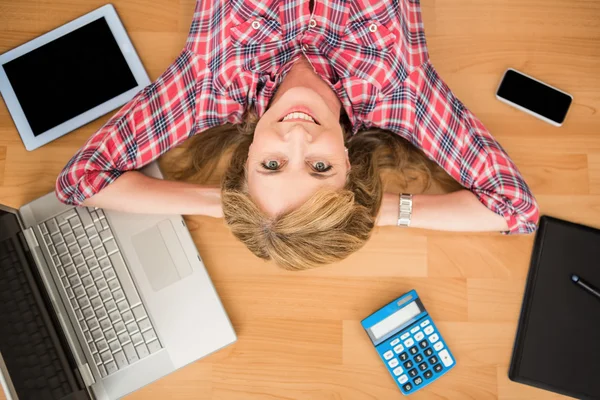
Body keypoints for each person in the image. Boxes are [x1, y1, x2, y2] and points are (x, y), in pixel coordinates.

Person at [56, 0, 540, 270]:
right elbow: (516, 211)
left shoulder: (209, 80)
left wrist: (226, 203)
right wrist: (375, 211)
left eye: (271, 165)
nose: (296, 137)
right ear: (352, 169)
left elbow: (80, 183)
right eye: (320, 167)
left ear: (244, 162)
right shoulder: (401, 89)